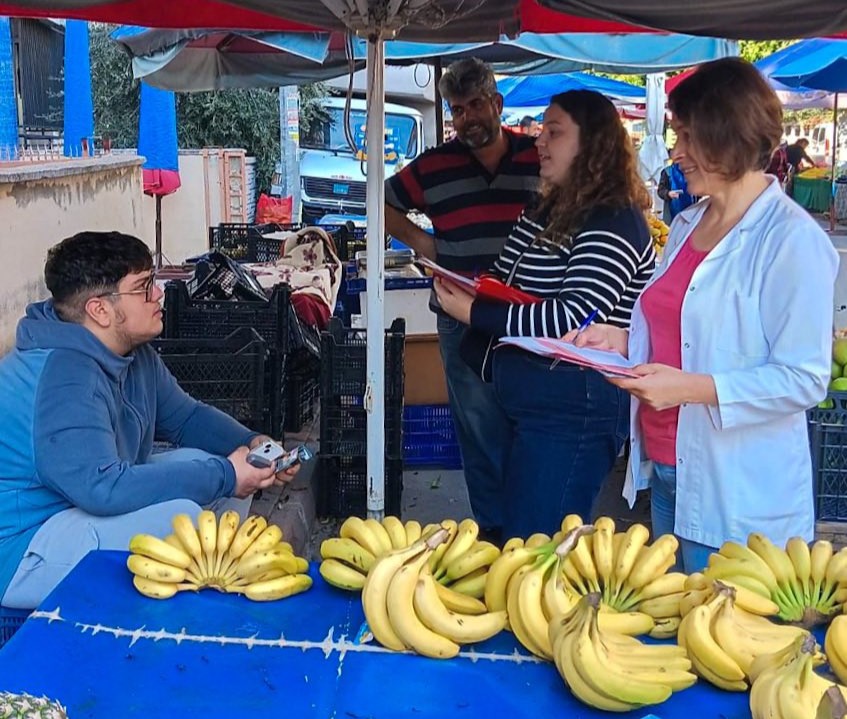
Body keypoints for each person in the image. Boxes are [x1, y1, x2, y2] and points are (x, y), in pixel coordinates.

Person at [567, 58, 838, 572]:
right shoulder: (691, 222)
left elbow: (805, 379)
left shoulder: (791, 241)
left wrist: (690, 389)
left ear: (727, 139)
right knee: (680, 629)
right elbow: (690, 332)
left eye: (688, 138)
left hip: (740, 497)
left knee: (726, 637)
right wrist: (625, 340)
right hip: (671, 472)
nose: (676, 153)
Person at [0, 231, 300, 609]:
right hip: (23, 549)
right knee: (185, 517)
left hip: (77, 507)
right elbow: (101, 487)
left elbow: (186, 416)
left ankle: (213, 589)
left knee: (215, 469)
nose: (158, 294)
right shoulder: (64, 376)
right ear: (100, 310)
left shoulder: (129, 351)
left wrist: (254, 442)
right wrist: (226, 473)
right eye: (143, 288)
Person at [434, 89, 655, 539]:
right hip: (527, 400)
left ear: (593, 144)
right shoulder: (548, 208)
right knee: (511, 538)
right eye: (541, 129)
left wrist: (476, 313)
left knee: (537, 543)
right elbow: (508, 276)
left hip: (575, 408)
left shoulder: (612, 216)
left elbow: (573, 316)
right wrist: (476, 289)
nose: (539, 141)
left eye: (554, 132)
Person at [385, 58, 540, 544]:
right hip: (460, 316)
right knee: (479, 429)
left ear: (497, 102)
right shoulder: (433, 166)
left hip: (529, 314)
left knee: (532, 422)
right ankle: (495, 534)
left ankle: (534, 525)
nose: (468, 117)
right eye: (458, 109)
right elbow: (384, 201)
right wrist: (424, 244)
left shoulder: (539, 157)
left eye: (476, 105)